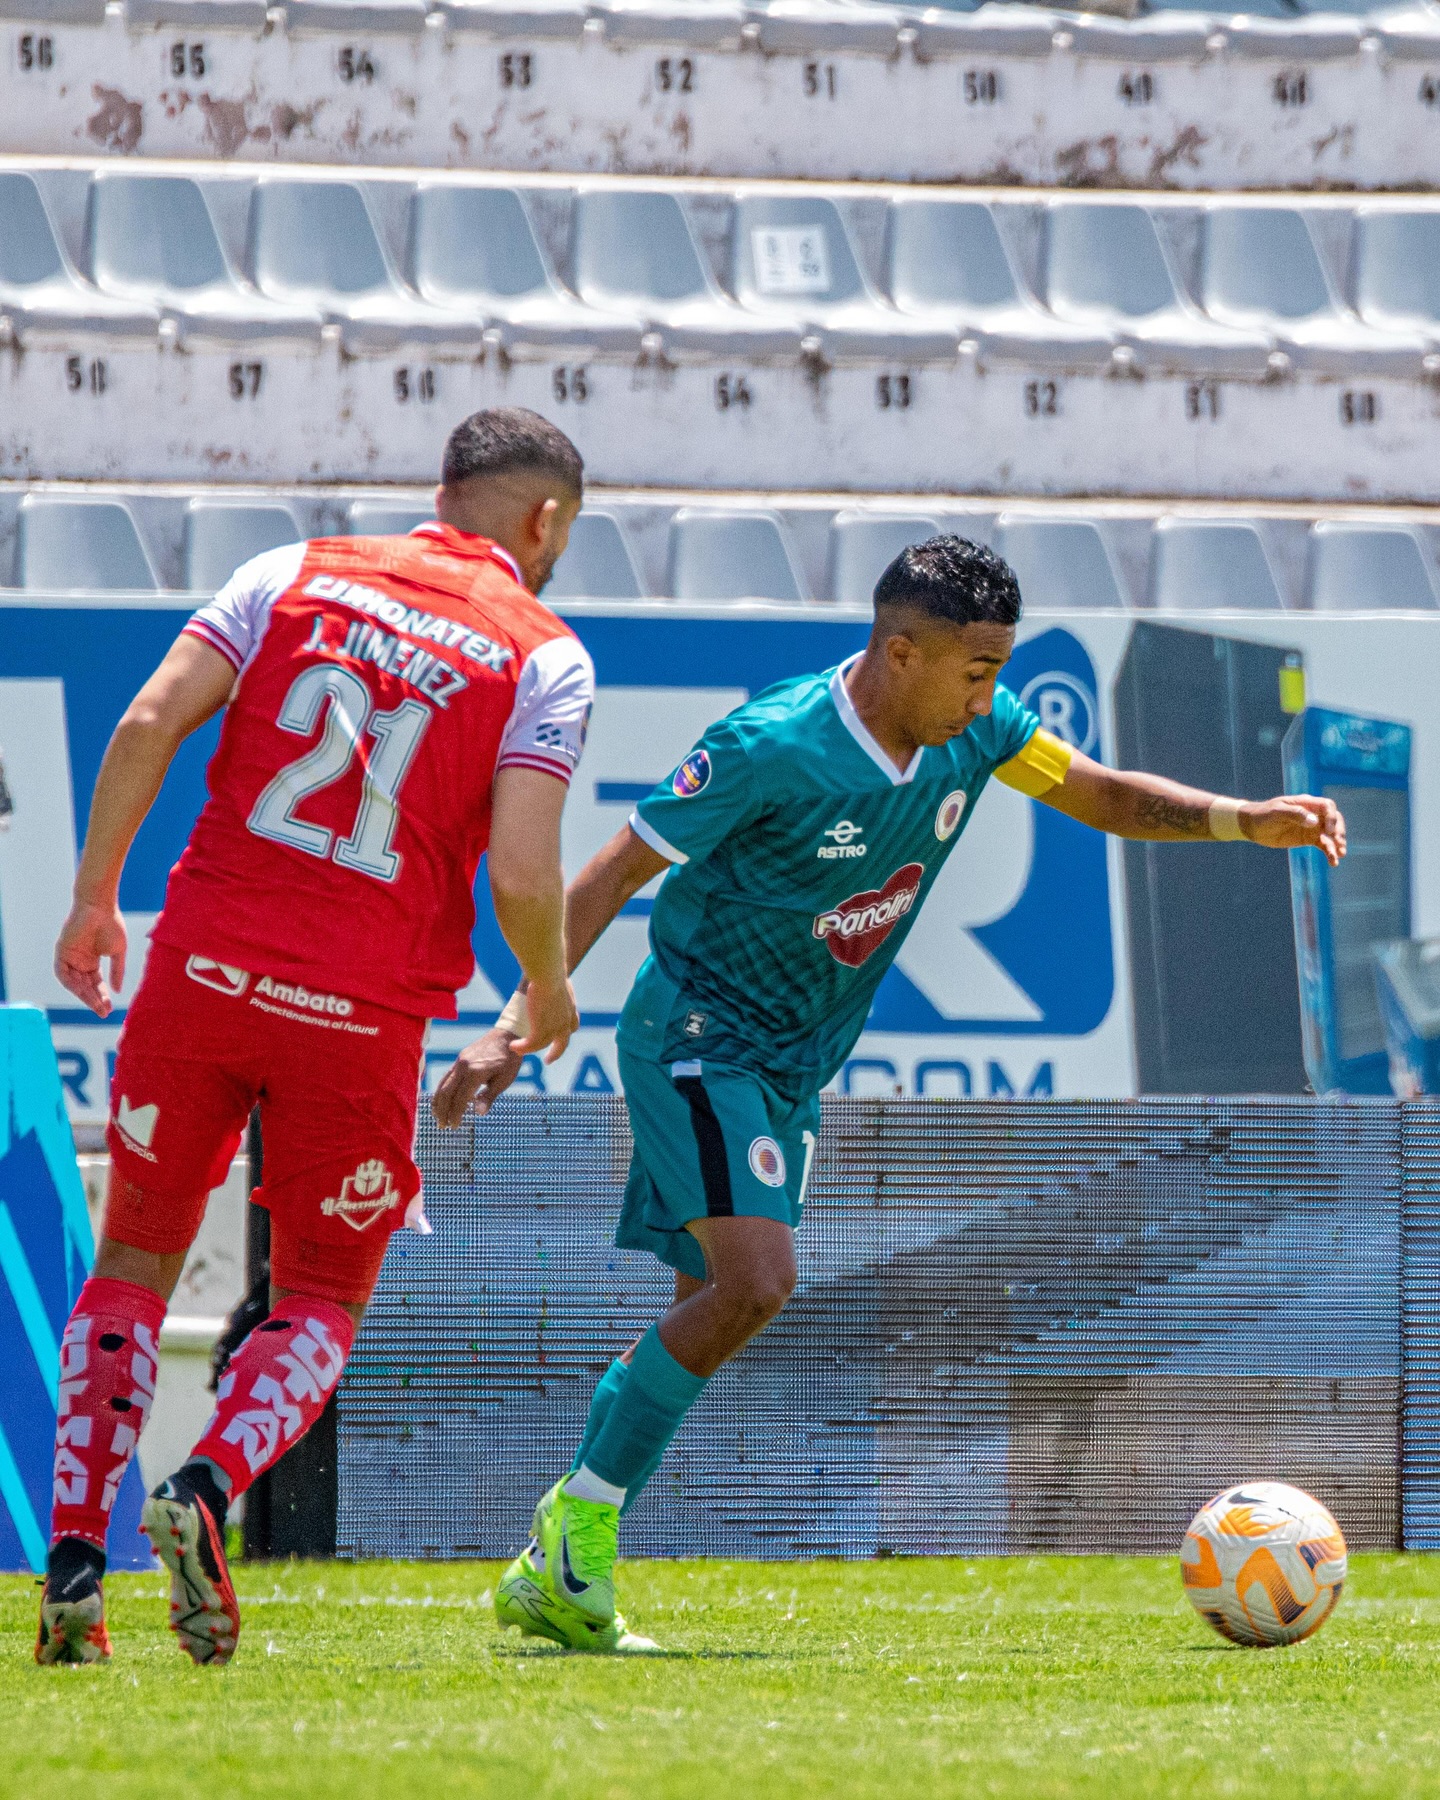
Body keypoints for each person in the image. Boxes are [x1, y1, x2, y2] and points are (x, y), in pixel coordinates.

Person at [433, 534, 1348, 1653]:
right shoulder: (772, 745)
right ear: (899, 652)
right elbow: (614, 871)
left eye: (1000, 671)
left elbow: (1098, 793)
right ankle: (573, 1533)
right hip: (699, 1035)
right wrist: (517, 1025)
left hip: (791, 1067)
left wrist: (1237, 819)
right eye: (977, 672)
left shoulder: (979, 733)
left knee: (709, 1306)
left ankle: (555, 1568)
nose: (993, 696)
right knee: (758, 1282)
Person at [38, 408, 593, 1667]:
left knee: (130, 1262)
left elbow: (144, 723)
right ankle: (205, 1487)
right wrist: (547, 984)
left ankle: (76, 1558)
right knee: (323, 1301)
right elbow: (520, 865)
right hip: (360, 1010)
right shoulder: (545, 654)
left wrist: (89, 897)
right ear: (543, 521)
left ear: (441, 492)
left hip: (203, 967)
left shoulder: (290, 570)